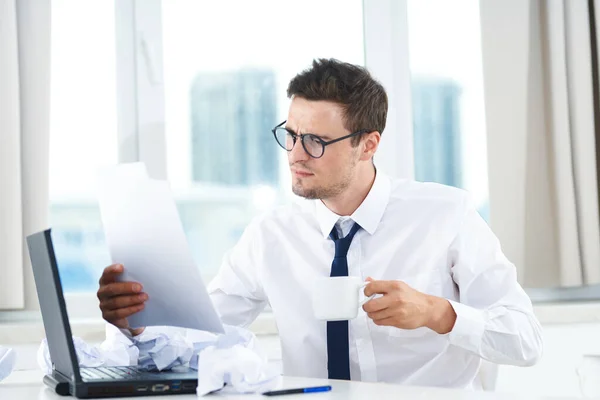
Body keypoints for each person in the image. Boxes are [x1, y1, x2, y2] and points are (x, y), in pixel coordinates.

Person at [97, 58, 543, 389]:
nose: (294, 154)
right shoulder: (271, 235)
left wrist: (437, 313)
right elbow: (198, 332)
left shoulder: (446, 215)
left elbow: (525, 340)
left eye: (315, 141)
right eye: (290, 135)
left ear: (368, 145)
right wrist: (135, 318)